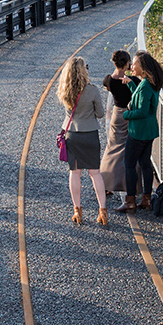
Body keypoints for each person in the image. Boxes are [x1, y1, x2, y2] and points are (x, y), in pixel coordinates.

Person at [114, 51, 163, 213]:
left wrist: (126, 114)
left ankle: (130, 201)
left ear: (143, 67)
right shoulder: (149, 83)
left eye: (134, 63)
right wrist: (130, 84)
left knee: (129, 164)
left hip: (138, 131)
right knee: (145, 163)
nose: (131, 66)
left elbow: (142, 111)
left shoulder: (145, 86)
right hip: (149, 130)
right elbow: (142, 98)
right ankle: (146, 199)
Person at [57, 56, 106, 224]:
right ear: (83, 71)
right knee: (95, 173)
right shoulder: (92, 90)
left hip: (72, 134)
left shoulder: (65, 90)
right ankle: (103, 211)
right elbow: (100, 114)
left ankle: (77, 211)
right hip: (90, 134)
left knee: (75, 173)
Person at [98, 50, 132, 198]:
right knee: (126, 150)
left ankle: (105, 182)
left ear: (114, 63)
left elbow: (106, 84)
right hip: (129, 115)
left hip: (116, 115)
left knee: (112, 148)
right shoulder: (131, 81)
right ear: (128, 63)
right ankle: (125, 184)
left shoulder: (109, 80)